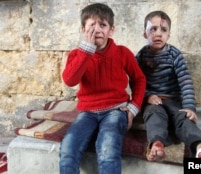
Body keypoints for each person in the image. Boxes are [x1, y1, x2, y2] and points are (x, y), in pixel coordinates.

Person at [60, 3, 146, 174]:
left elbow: (139, 79)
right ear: (83, 29)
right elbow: (70, 80)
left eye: (103, 25)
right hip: (87, 112)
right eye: (92, 25)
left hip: (116, 110)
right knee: (68, 149)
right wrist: (87, 50)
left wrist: (133, 108)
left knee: (107, 150)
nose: (97, 30)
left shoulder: (122, 53)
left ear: (111, 30)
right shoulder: (77, 55)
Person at [136, 10, 201, 161]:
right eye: (153, 29)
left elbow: (186, 82)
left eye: (163, 30)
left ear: (169, 34)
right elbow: (136, 82)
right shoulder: (141, 56)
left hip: (172, 100)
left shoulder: (174, 55)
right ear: (145, 34)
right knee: (154, 116)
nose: (158, 34)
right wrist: (148, 96)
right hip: (153, 101)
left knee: (182, 118)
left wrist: (190, 107)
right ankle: (157, 144)